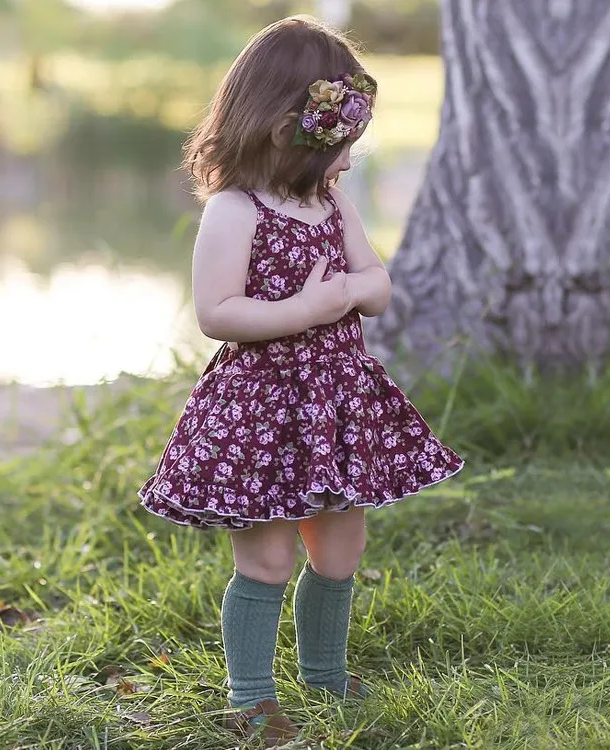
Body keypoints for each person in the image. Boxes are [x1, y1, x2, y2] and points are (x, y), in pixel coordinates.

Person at [138, 15, 464, 748]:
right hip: (262, 406)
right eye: (342, 140)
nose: (351, 156)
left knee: (341, 545)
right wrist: (306, 307)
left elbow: (377, 284)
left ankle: (324, 671)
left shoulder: (328, 202)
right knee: (268, 554)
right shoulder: (234, 210)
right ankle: (252, 698)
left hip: (336, 402)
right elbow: (216, 313)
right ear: (286, 128)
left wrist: (347, 294)